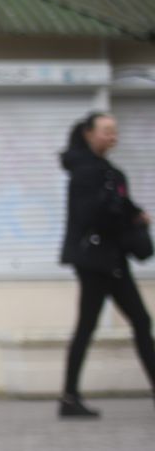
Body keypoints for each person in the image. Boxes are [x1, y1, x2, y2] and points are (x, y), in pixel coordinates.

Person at [57, 111, 155, 417]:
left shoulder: (105, 170)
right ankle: (69, 397)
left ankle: (69, 398)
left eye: (115, 131)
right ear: (88, 134)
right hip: (98, 261)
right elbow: (92, 216)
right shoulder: (88, 172)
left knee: (94, 325)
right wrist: (125, 216)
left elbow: (116, 205)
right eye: (106, 131)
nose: (112, 136)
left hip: (106, 259)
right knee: (137, 321)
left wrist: (133, 213)